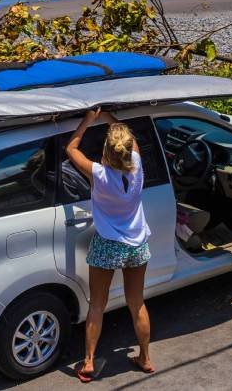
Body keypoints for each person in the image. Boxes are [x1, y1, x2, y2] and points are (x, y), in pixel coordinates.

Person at [66, 108, 155, 382]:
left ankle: (89, 362)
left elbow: (71, 149)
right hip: (137, 245)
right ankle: (145, 357)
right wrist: (109, 118)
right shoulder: (136, 166)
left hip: (107, 244)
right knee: (136, 303)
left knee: (97, 305)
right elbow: (132, 141)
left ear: (106, 151)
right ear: (127, 150)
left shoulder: (99, 174)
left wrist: (88, 120)